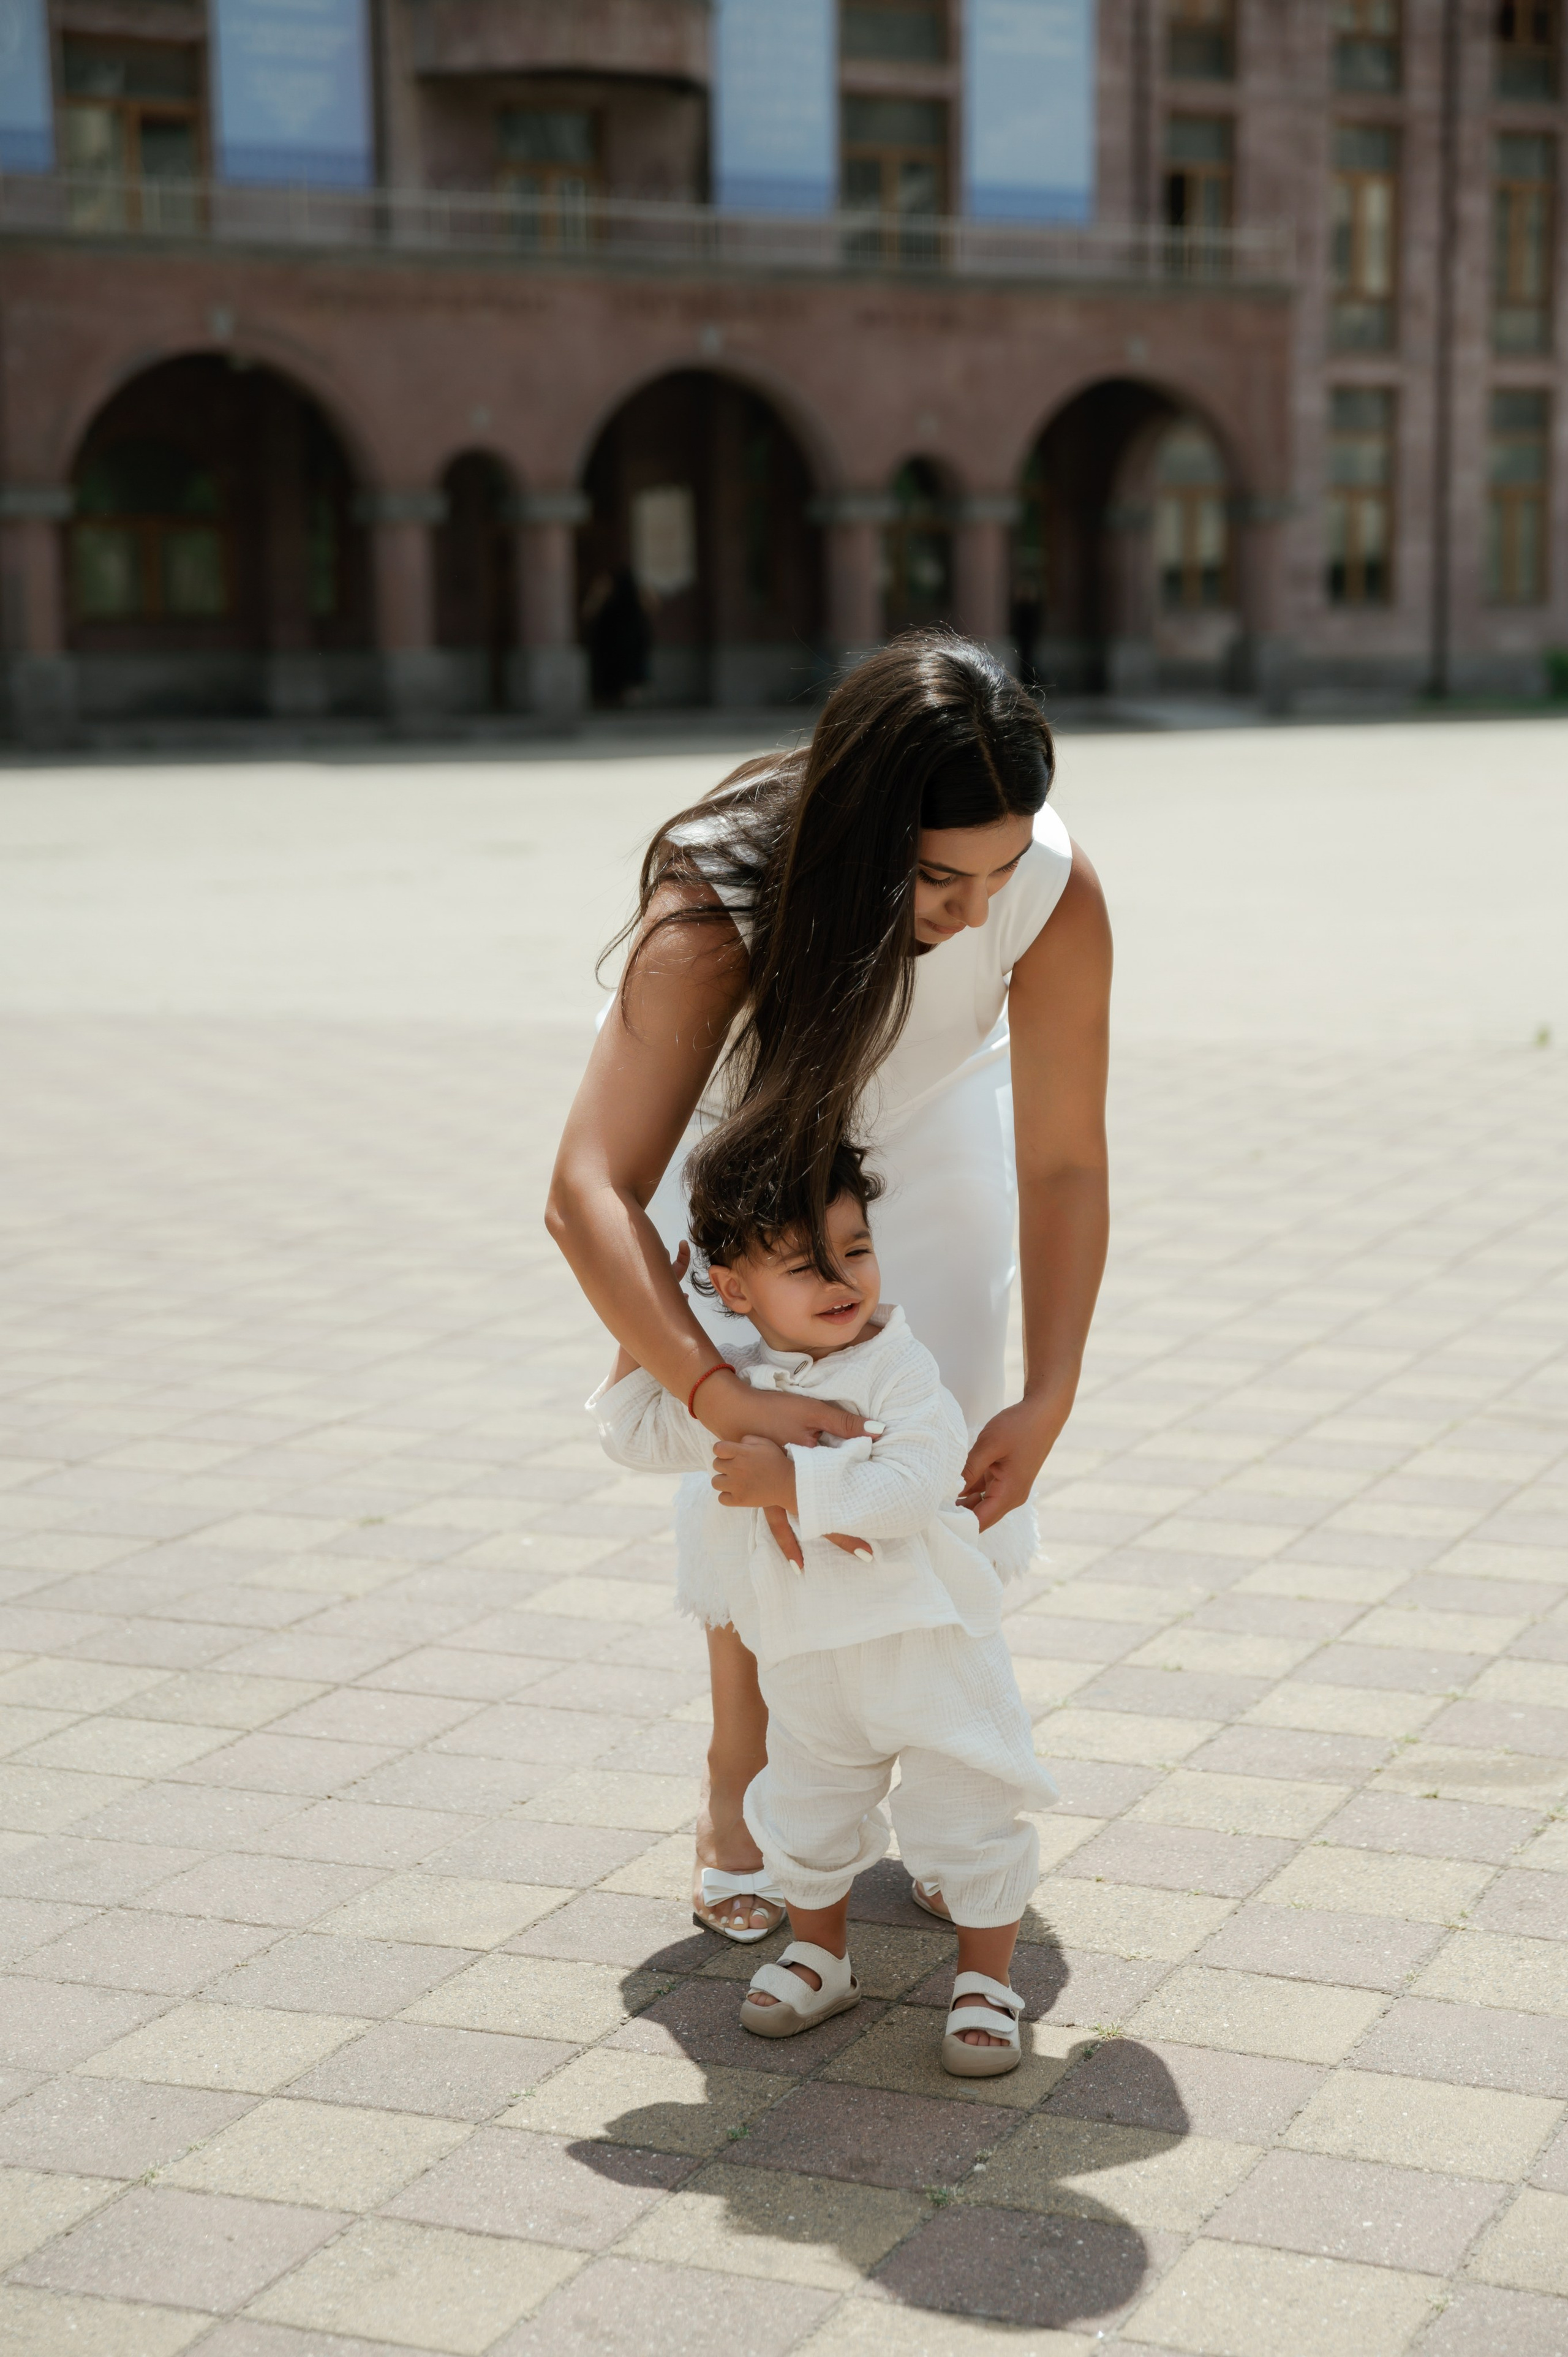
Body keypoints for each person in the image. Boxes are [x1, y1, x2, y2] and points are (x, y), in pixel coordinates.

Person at [546, 630, 1111, 1940]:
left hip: (926, 1145)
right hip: (746, 1156)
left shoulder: (1047, 885)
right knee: (764, 1483)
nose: (973, 913)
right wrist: (713, 1390)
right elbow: (585, 1187)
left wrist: (1051, 1393)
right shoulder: (717, 902)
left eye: (998, 873)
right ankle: (742, 1777)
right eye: (938, 877)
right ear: (858, 834)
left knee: (925, 1471)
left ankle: (951, 1794)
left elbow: (1067, 1162)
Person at [588, 1147, 1057, 2073]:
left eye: (855, 1250)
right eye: (805, 1265)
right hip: (805, 1656)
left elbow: (913, 1487)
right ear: (735, 1289)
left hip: (929, 1648)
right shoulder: (737, 1388)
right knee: (803, 1810)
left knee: (969, 1807)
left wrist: (792, 1482)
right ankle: (821, 1956)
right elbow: (632, 1433)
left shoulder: (898, 1369)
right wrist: (655, 1321)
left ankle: (985, 1979)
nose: (842, 1281)